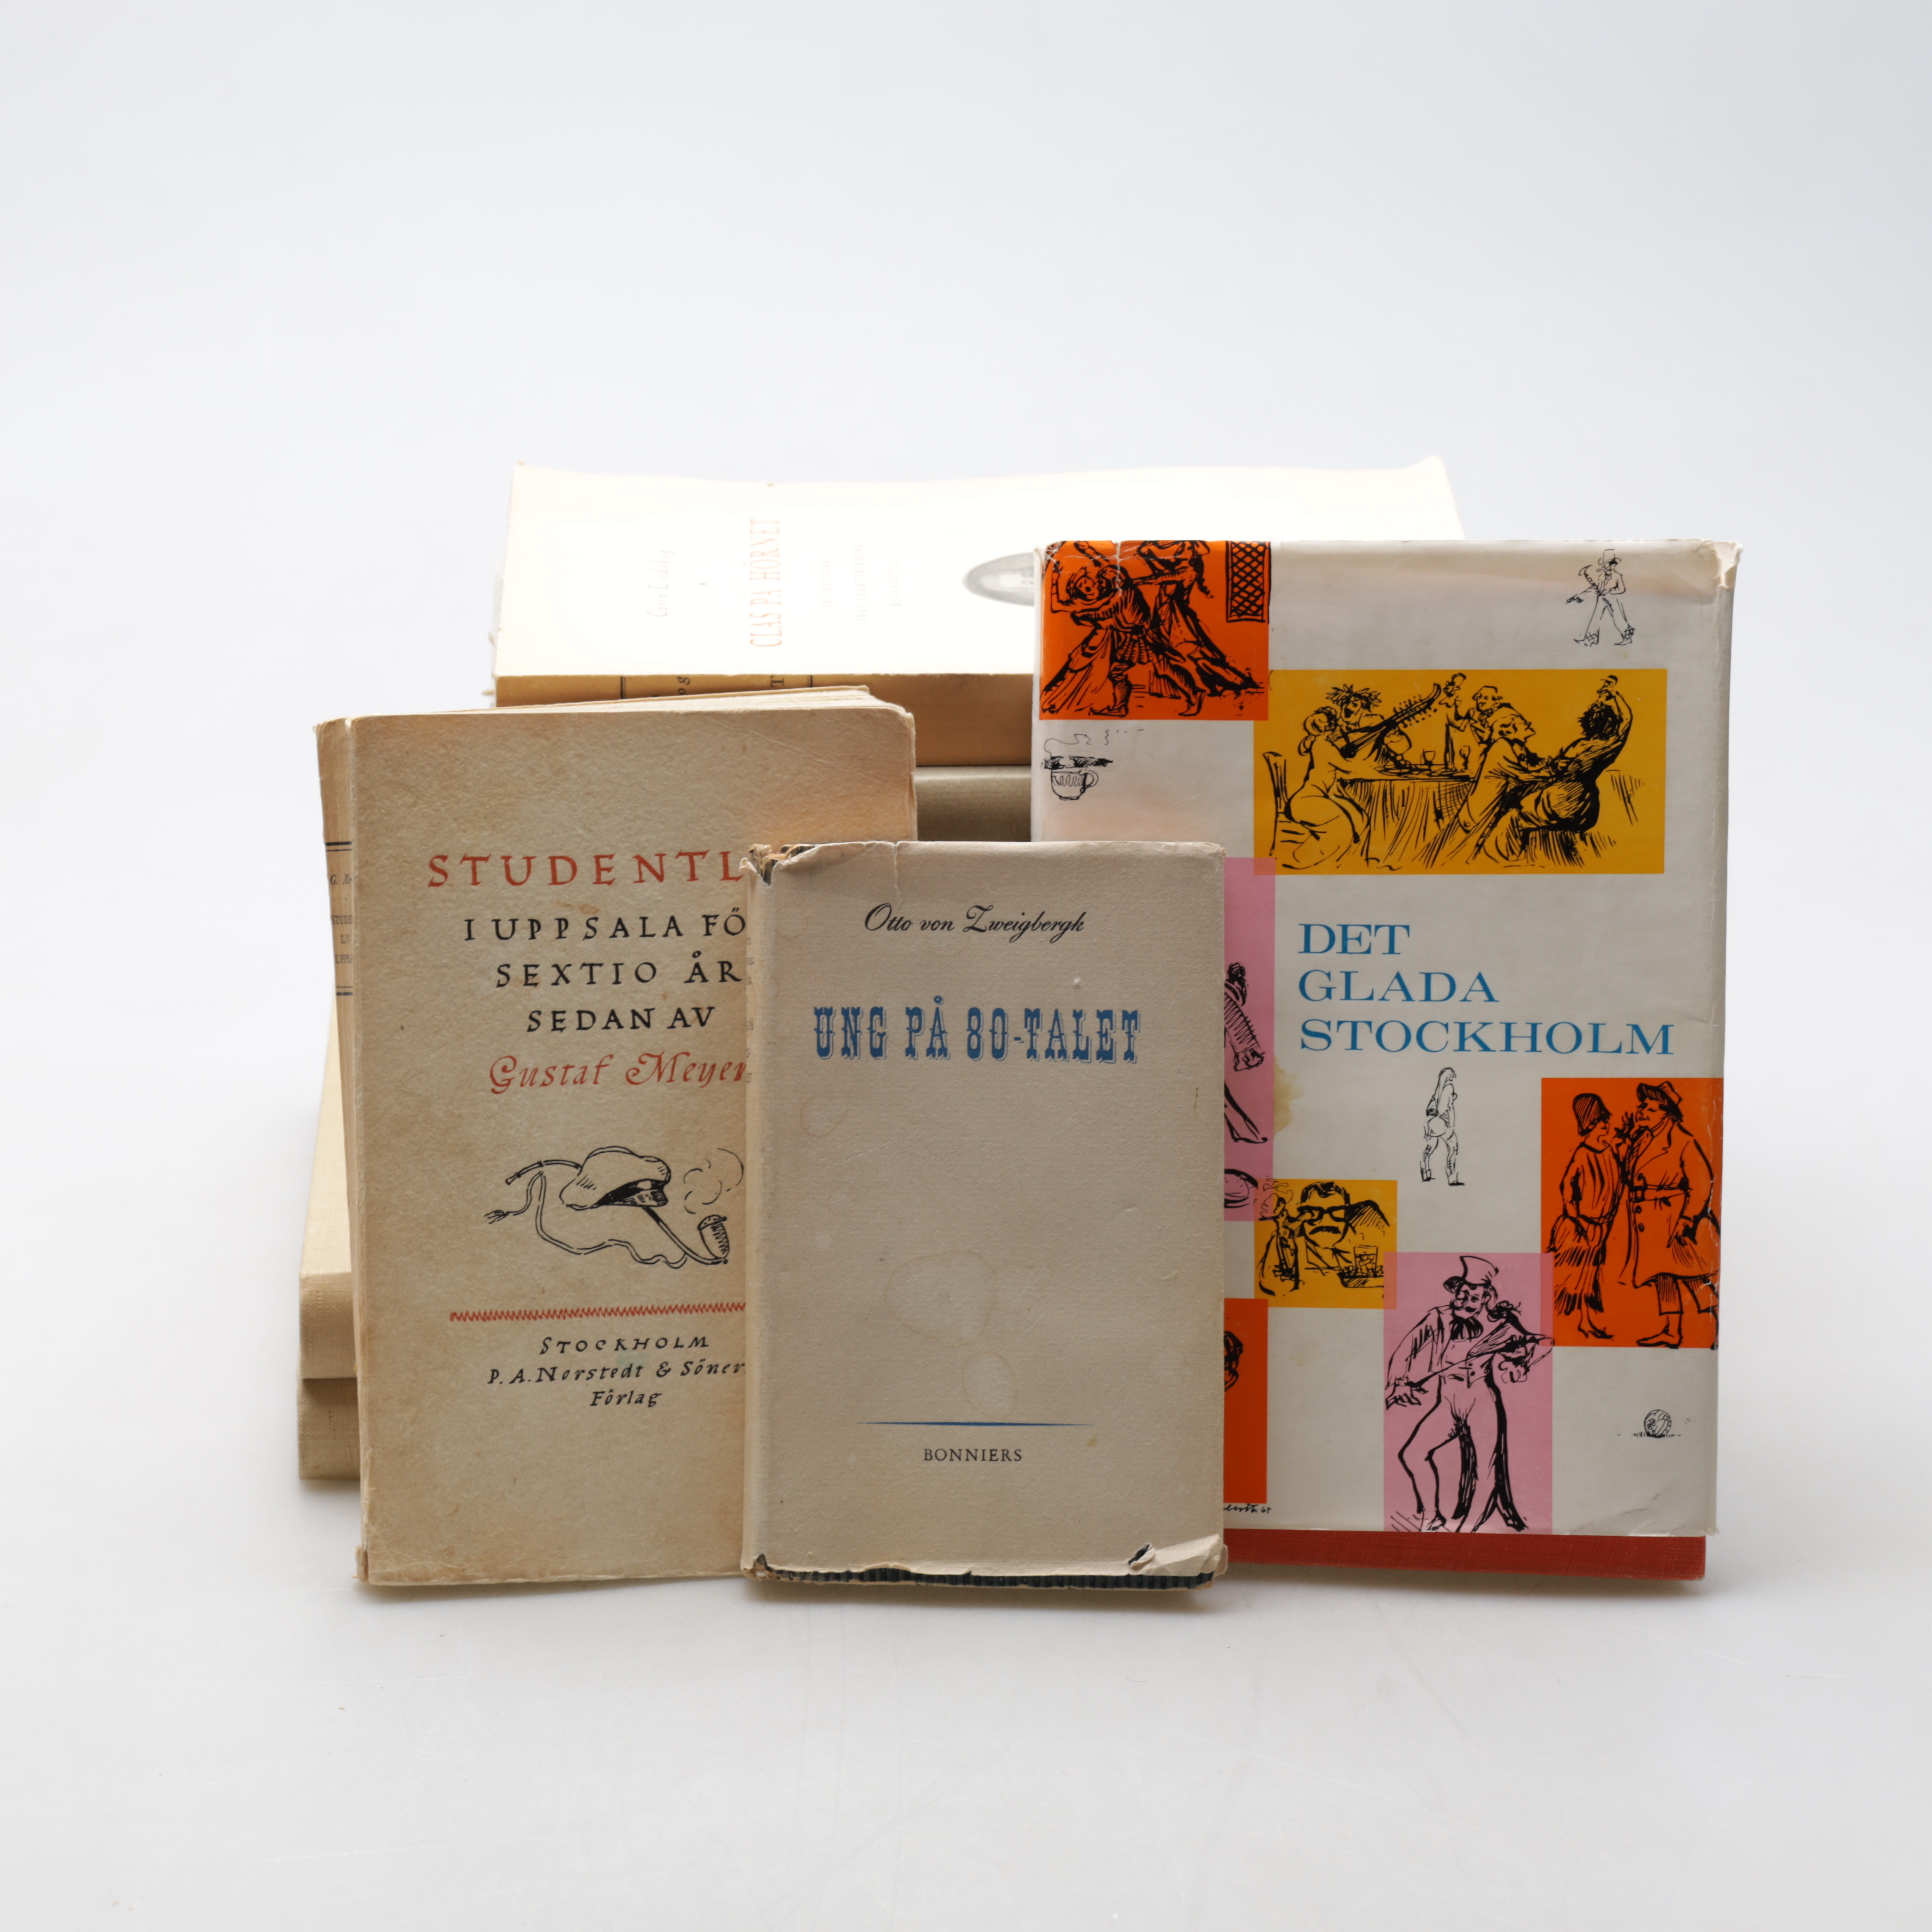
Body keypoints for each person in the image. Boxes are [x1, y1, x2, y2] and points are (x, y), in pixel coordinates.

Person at [1386, 1257, 1549, 1532]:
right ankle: (1431, 1516)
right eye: (1460, 1296)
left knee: (1485, 1471)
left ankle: (1466, 1531)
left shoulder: (1504, 1326)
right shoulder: (1440, 1317)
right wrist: (1400, 1382)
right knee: (1413, 1454)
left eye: (1473, 1298)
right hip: (1447, 1404)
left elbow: (1544, 1342)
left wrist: (1521, 1363)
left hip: (1481, 1403)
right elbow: (1406, 1348)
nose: (1463, 1303)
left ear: (1486, 1297)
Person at [1617, 1081, 1720, 1347]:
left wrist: (1687, 1218)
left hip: (1673, 1217)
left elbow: (1702, 1182)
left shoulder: (1682, 1141)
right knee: (1664, 1277)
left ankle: (1719, 1321)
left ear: (1667, 1114)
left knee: (1692, 1275)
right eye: (1642, 1107)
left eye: (1650, 1109)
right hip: (1649, 1218)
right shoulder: (1642, 1138)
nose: (1642, 1112)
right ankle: (1672, 1331)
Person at [1490, 678, 1634, 861]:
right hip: (1587, 808)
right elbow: (1627, 719)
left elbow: (1554, 771)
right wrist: (1616, 696)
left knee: (1514, 816)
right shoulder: (1611, 745)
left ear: (1588, 722)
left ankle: (1509, 858)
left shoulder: (1579, 746)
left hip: (1561, 800)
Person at [1130, 540, 1262, 714]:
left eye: (1186, 549)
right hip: (1165, 618)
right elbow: (1153, 564)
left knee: (1194, 656)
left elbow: (1159, 578)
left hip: (1178, 620)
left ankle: (1237, 682)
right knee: (1194, 657)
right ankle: (1226, 683)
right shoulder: (1173, 570)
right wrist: (1146, 551)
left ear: (1193, 555)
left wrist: (1133, 581)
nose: (1179, 552)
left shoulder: (1189, 572)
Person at [1038, 543, 1149, 717]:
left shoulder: (1118, 597)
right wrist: (1087, 550)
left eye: (1100, 582)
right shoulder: (1113, 593)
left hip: (1127, 640)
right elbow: (1104, 563)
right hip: (1113, 639)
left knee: (1117, 673)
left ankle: (1120, 708)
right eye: (1083, 586)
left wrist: (1082, 616)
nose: (1099, 583)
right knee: (1089, 669)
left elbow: (1102, 611)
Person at [1548, 1091, 1620, 1339]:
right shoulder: (1583, 1153)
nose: (1606, 1124)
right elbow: (1567, 1187)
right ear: (1590, 1124)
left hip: (1601, 1227)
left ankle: (1586, 1321)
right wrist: (1577, 1218)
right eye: (1601, 1121)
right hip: (1580, 1227)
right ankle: (1578, 1323)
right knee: (1575, 1277)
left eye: (1606, 1120)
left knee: (1591, 1276)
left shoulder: (1609, 1151)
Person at [1256, 1181, 1390, 1298]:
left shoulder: (1361, 1248)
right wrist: (1282, 1237)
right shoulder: (1289, 1243)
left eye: (1337, 1212)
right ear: (1302, 1215)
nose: (1326, 1221)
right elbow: (1274, 1286)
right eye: (1314, 1213)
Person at [1568, 549, 1635, 647]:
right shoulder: (1602, 576)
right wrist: (1581, 596)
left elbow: (1622, 589)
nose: (1611, 566)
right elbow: (1594, 588)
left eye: (1613, 564)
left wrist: (1609, 591)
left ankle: (1628, 637)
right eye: (1608, 564)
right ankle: (1590, 640)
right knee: (1596, 618)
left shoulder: (1617, 576)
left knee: (1618, 618)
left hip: (1612, 598)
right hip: (1601, 599)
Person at [1421, 1066, 1461, 1184]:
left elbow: (1429, 1110)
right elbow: (1448, 1109)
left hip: (1433, 1124)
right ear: (1449, 1078)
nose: (1453, 1080)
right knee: (1453, 1150)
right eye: (1452, 1078)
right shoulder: (1449, 1088)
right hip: (1444, 1124)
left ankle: (1425, 1174)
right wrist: (1451, 1127)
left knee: (1429, 1150)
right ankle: (1452, 1179)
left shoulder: (1438, 1091)